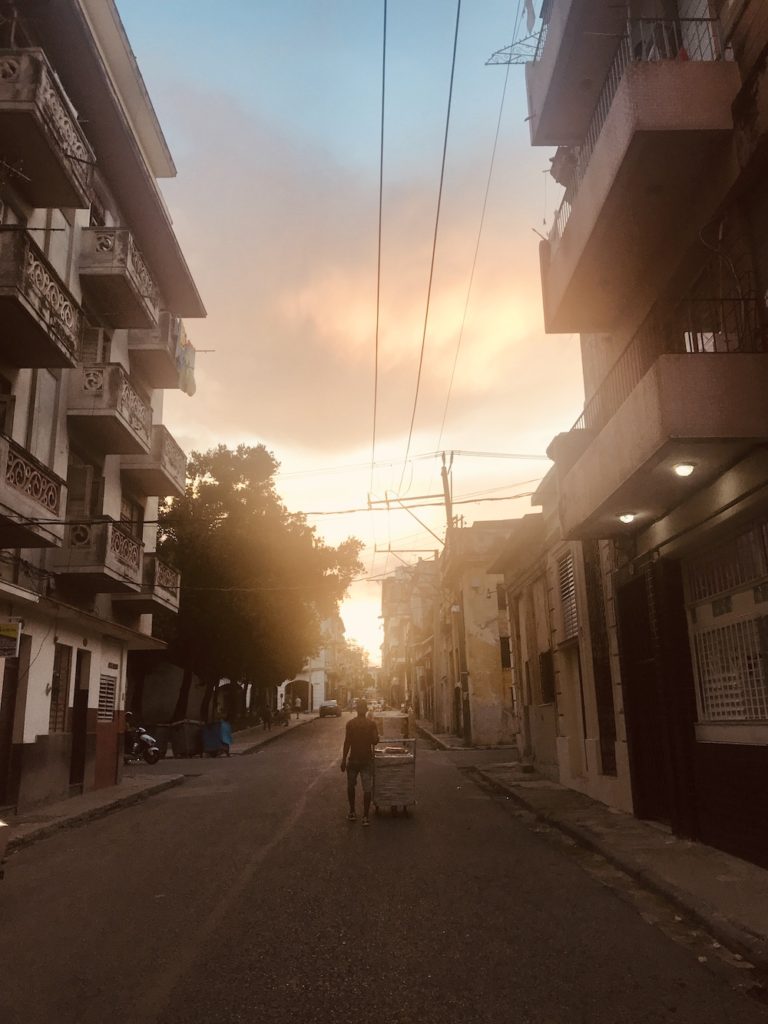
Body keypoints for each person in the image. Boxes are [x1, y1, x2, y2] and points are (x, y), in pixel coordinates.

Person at [340, 699, 379, 826]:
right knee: (367, 788)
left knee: (351, 786)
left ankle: (352, 812)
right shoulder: (371, 724)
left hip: (353, 760)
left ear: (357, 709)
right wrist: (376, 736)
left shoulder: (350, 724)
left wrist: (343, 760)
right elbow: (375, 741)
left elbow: (347, 743)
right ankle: (365, 817)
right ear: (366, 710)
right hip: (367, 760)